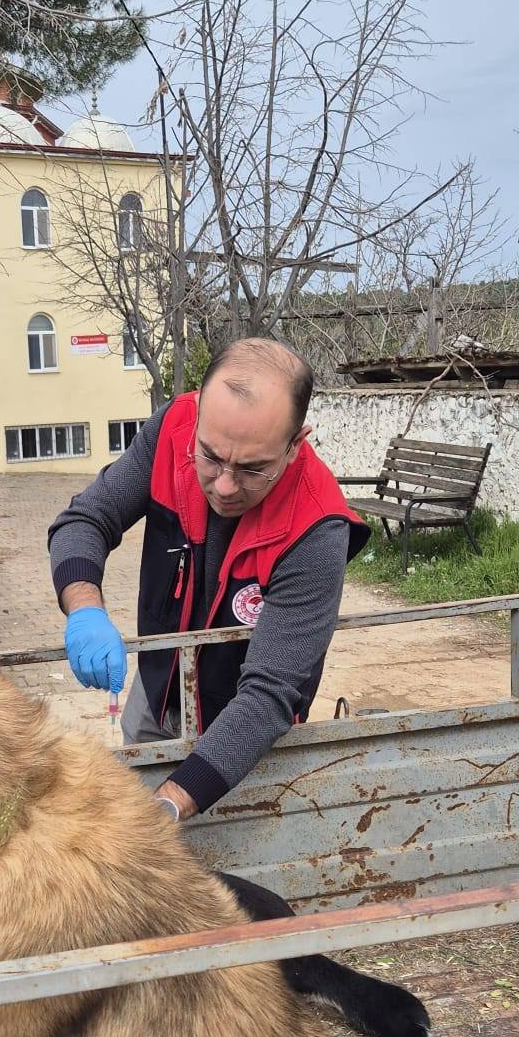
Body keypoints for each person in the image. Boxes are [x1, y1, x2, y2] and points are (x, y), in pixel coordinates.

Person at [49, 337, 369, 820]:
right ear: (198, 415)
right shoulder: (171, 432)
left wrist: (170, 806)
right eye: (211, 456)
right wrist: (85, 606)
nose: (223, 486)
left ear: (294, 444)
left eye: (252, 469)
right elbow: (87, 519)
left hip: (248, 739)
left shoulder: (317, 528)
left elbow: (267, 696)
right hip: (156, 695)